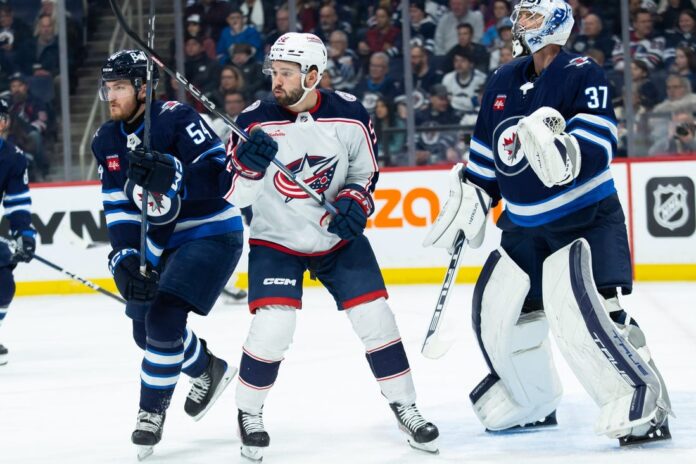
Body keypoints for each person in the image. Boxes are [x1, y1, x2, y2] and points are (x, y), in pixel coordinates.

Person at [424, 0, 672, 447]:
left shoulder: (581, 71)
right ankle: (530, 400)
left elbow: (600, 139)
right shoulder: (502, 80)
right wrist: (473, 196)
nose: (520, 23)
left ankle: (644, 402)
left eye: (531, 16)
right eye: (521, 15)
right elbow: (486, 156)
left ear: (556, 22)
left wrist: (567, 154)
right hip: (522, 227)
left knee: (596, 313)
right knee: (503, 311)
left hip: (584, 218)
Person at [222, 32, 439, 462]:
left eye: (287, 73)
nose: (276, 81)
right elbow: (234, 195)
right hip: (277, 240)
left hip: (336, 238)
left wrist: (354, 202)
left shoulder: (350, 114)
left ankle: (406, 406)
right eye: (274, 72)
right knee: (274, 327)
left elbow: (365, 173)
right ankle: (249, 412)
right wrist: (248, 167)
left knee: (376, 317)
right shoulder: (252, 122)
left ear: (313, 75)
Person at [91, 50, 244, 459]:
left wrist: (175, 176)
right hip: (161, 242)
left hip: (210, 232)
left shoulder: (177, 118)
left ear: (143, 88)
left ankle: (150, 415)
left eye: (119, 87)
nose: (111, 96)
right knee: (145, 332)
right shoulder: (106, 140)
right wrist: (124, 258)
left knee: (163, 319)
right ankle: (207, 368)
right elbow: (119, 209)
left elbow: (221, 176)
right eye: (108, 87)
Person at [0, 98, 36, 366]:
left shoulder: (13, 157)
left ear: (5, 122)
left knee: (3, 283)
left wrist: (25, 234)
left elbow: (17, 202)